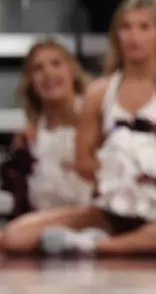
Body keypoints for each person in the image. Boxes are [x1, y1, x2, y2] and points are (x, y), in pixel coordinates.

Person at [0, 0, 156, 257]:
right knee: (14, 236)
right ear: (116, 37)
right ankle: (121, 241)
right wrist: (118, 174)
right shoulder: (99, 92)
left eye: (144, 27)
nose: (134, 36)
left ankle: (97, 246)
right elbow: (83, 161)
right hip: (112, 205)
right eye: (126, 28)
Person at [0, 40, 92, 223]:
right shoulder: (27, 139)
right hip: (44, 226)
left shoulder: (100, 120)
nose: (48, 73)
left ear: (72, 70)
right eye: (38, 68)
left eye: (56, 64)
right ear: (30, 81)